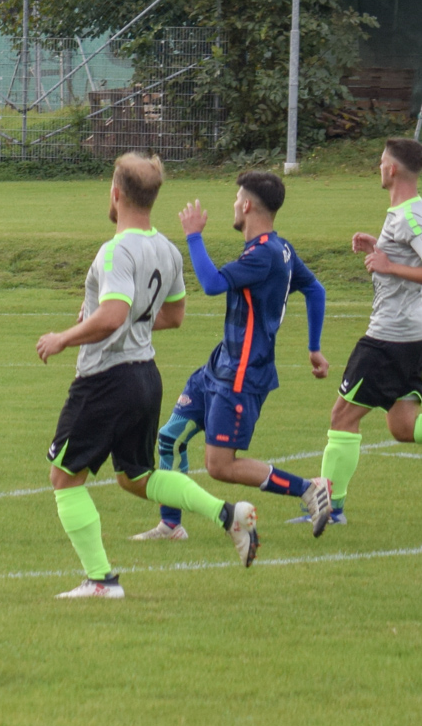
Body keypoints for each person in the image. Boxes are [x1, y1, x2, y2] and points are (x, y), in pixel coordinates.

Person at [37, 153, 258, 599]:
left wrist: (65, 337)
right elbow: (172, 316)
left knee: (64, 478)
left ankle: (101, 581)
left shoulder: (116, 250)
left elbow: (114, 316)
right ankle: (228, 514)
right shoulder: (167, 250)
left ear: (116, 193)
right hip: (144, 377)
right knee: (135, 476)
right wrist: (107, 318)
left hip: (105, 379)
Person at [133, 171, 332, 541]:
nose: (234, 204)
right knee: (170, 438)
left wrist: (193, 236)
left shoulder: (265, 255)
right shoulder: (281, 249)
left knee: (220, 466)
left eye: (237, 198)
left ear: (248, 205)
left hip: (241, 375)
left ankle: (308, 489)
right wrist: (314, 347)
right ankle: (170, 525)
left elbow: (212, 284)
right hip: (219, 366)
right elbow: (315, 290)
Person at [314, 137, 422, 534]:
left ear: (392, 169)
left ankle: (331, 509)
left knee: (342, 417)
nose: (378, 167)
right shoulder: (405, 213)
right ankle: (332, 508)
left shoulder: (409, 216)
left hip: (390, 337)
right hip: (410, 335)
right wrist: (379, 249)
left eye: (381, 161)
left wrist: (389, 266)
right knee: (403, 426)